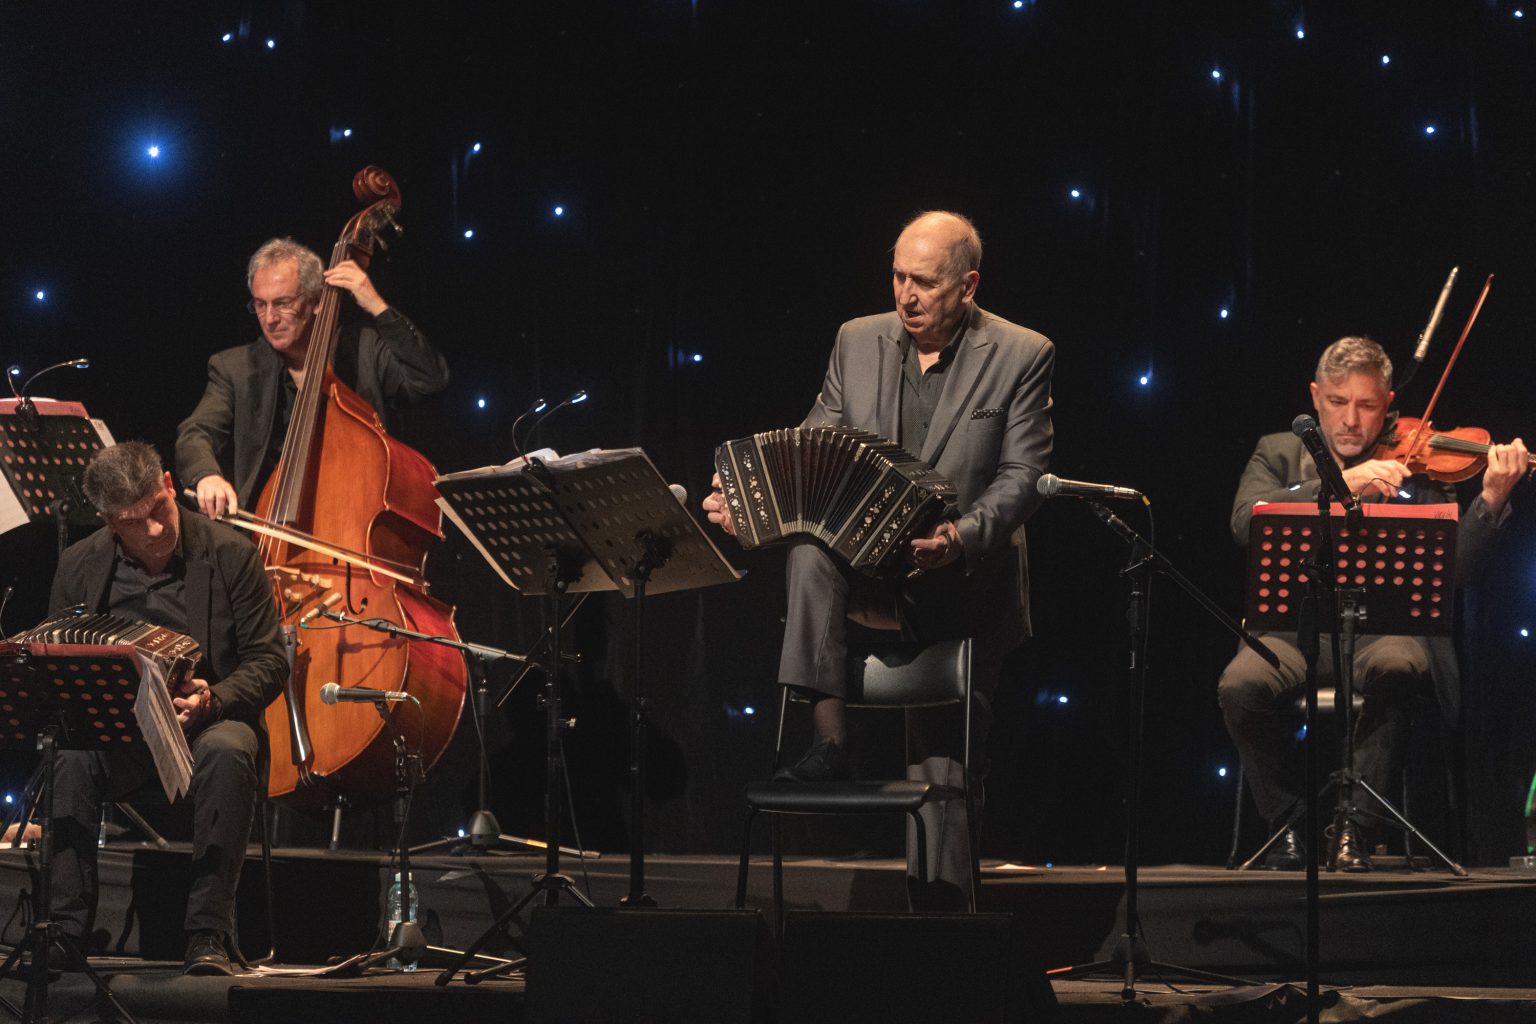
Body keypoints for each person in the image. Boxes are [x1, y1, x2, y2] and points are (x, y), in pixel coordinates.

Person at [703, 211, 1055, 906]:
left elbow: (1023, 478)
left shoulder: (1022, 352)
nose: (906, 294)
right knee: (807, 549)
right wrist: (750, 502)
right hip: (870, 575)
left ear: (967, 284)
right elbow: (813, 441)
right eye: (898, 276)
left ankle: (942, 921)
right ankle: (829, 738)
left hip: (962, 584)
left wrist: (958, 537)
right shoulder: (856, 341)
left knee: (945, 773)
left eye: (923, 282)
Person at [1219, 336, 1527, 871]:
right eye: (1338, 402)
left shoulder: (1418, 458)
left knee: (1398, 668)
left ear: (1388, 405)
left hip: (1385, 628)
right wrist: (1339, 484)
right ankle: (1290, 822)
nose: (1351, 420)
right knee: (1238, 687)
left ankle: (1355, 830)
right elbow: (1248, 521)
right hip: (1295, 629)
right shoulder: (1277, 451)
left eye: (1366, 405)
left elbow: (1458, 572)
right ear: (1316, 397)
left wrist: (1492, 500)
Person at [47, 441, 287, 974]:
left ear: (170, 486)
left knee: (229, 750)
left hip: (209, 721)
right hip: (120, 730)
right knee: (71, 756)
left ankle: (209, 935)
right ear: (109, 520)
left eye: (159, 509)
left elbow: (270, 661)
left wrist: (212, 698)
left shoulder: (232, 554)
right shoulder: (79, 563)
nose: (154, 529)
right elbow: (60, 660)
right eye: (134, 522)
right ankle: (65, 932)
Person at [176, 237, 449, 519]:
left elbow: (429, 381)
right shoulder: (234, 367)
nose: (269, 319)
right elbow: (196, 432)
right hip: (262, 530)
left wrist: (378, 306)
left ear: (316, 301)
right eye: (260, 304)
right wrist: (206, 476)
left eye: (282, 303)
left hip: (352, 520)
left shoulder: (362, 348)